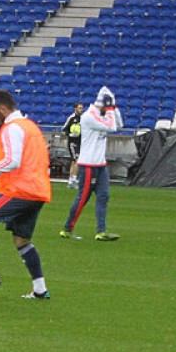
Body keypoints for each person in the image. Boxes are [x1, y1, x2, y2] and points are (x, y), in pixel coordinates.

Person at [0, 89, 53, 300]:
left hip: (19, 190)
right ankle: (40, 289)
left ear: (3, 108)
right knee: (21, 240)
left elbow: (12, 161)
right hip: (38, 191)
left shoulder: (11, 128)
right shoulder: (30, 127)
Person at [60, 86, 122, 241]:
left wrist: (113, 108)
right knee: (82, 198)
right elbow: (112, 127)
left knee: (103, 197)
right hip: (88, 164)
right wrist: (110, 110)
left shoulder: (100, 114)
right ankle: (67, 228)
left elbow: (119, 124)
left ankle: (101, 230)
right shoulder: (88, 117)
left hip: (100, 164)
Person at [60, 102, 84, 187]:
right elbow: (63, 130)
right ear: (75, 108)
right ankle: (74, 179)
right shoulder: (71, 118)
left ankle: (70, 181)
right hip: (72, 143)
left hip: (80, 142)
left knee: (74, 162)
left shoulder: (83, 118)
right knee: (77, 160)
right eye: (79, 107)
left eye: (82, 108)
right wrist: (70, 134)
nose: (81, 109)